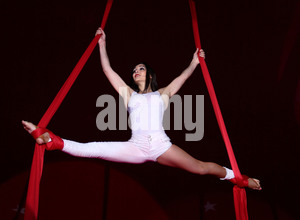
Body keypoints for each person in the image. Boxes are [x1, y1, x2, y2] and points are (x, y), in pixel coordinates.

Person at [22, 28, 261, 190]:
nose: (136, 71)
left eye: (141, 69)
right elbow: (109, 72)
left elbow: (182, 78)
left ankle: (237, 178)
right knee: (91, 148)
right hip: (135, 147)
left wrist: (194, 63)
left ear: (150, 75)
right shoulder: (129, 95)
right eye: (134, 69)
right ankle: (50, 139)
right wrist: (102, 44)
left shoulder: (163, 94)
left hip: (160, 145)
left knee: (199, 168)